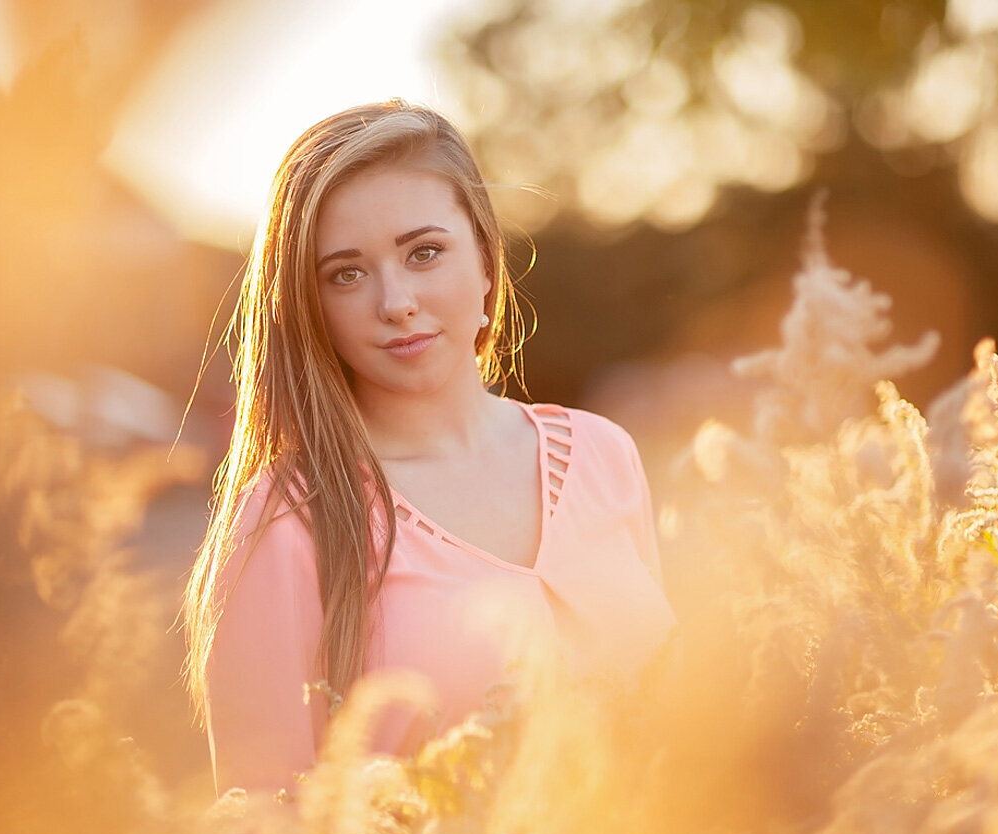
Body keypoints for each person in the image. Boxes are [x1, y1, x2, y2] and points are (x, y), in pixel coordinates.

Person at [183, 100, 675, 798]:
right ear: (311, 306)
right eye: (347, 273)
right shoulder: (289, 519)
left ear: (484, 261)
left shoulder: (605, 455)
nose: (396, 300)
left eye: (425, 252)